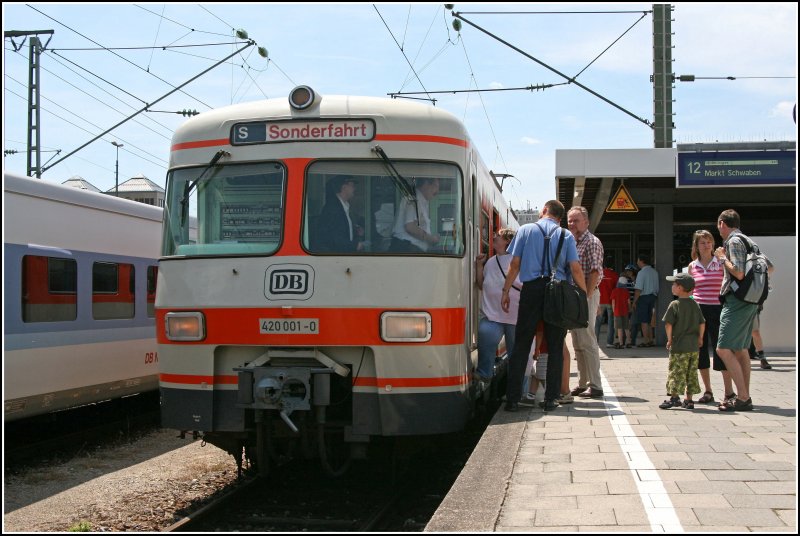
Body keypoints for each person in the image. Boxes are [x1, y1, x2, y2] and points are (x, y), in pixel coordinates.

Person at [500, 200, 586, 412]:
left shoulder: (526, 230)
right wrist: (582, 295)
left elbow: (515, 265)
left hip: (531, 291)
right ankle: (550, 399)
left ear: (544, 211)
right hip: (557, 293)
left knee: (521, 345)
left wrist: (506, 290)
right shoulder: (566, 235)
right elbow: (575, 268)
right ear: (559, 217)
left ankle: (512, 399)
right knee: (555, 346)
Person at [715, 209, 773, 412]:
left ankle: (743, 396)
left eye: (719, 225)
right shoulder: (750, 242)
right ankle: (744, 395)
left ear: (722, 223)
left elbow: (738, 273)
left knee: (722, 348)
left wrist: (722, 258)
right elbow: (770, 268)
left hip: (737, 300)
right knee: (740, 349)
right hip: (752, 301)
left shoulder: (733, 242)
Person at [687, 230, 734, 405]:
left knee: (721, 349)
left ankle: (729, 391)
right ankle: (708, 391)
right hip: (699, 311)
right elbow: (691, 291)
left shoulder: (721, 263)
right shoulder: (692, 266)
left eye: (709, 242)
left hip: (718, 309)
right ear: (696, 246)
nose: (706, 246)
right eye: (702, 243)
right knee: (700, 350)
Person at [565, 206, 604, 399]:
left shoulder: (591, 241)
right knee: (577, 341)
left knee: (587, 340)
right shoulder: (572, 241)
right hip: (576, 296)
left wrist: (586, 297)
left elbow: (595, 272)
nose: (572, 224)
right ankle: (582, 382)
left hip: (586, 295)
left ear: (586, 222)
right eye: (570, 220)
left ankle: (596, 385)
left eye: (576, 220)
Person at [475, 229, 521, 383]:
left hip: (515, 316)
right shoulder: (491, 261)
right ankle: (485, 373)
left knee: (516, 355)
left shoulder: (517, 260)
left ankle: (516, 389)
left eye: (498, 236)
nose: (494, 237)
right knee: (485, 333)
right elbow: (482, 285)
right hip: (493, 314)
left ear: (508, 241)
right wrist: (479, 267)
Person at [659, 273, 705, 410]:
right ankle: (689, 400)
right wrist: (700, 338)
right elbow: (702, 323)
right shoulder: (695, 304)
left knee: (676, 371)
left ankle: (674, 398)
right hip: (693, 346)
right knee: (691, 372)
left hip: (679, 345)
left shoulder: (675, 304)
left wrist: (669, 339)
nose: (672, 286)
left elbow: (668, 324)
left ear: (680, 288)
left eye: (674, 284)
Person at [315, 176, 364, 252]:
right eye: (352, 186)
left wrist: (354, 231)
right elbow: (330, 237)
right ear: (344, 187)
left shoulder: (343, 206)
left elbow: (340, 231)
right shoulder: (332, 208)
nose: (355, 189)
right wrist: (354, 245)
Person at [390, 177, 440, 252]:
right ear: (426, 184)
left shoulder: (422, 201)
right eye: (436, 186)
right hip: (406, 249)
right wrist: (431, 239)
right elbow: (410, 227)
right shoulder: (414, 198)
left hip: (411, 250)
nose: (437, 191)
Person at [632, 254, 659, 347]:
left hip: (643, 297)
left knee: (644, 320)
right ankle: (651, 340)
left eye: (638, 260)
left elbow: (638, 289)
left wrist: (634, 301)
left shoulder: (641, 273)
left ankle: (646, 340)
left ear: (642, 261)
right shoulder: (655, 272)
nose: (637, 262)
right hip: (653, 297)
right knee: (650, 319)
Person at [596, 258, 619, 348]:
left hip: (600, 301)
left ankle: (595, 342)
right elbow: (616, 289)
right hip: (610, 302)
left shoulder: (599, 274)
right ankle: (609, 342)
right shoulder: (615, 275)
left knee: (597, 323)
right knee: (611, 323)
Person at [610, 276, 632, 348]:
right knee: (626, 328)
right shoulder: (626, 292)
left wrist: (613, 311)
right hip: (625, 311)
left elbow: (613, 302)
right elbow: (628, 302)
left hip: (617, 312)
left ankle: (621, 342)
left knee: (619, 328)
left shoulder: (614, 291)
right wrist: (629, 309)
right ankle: (629, 342)